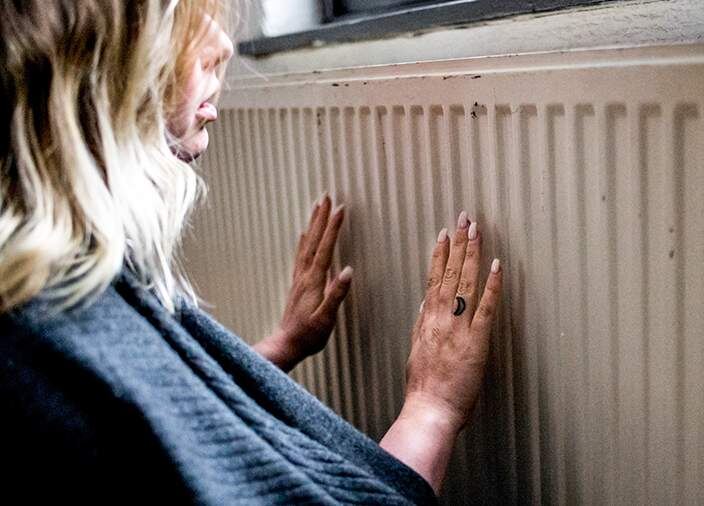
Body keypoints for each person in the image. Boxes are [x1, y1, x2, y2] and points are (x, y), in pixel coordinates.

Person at [0, 0, 502, 503]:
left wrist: (276, 349)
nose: (222, 45)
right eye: (175, 17)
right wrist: (431, 409)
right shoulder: (47, 352)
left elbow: (166, 425)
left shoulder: (42, 287)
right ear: (78, 63)